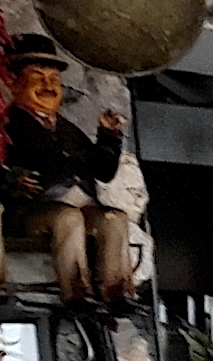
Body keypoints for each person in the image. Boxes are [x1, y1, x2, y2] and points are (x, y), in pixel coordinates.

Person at [2, 34, 132, 304]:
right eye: (38, 77)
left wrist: (108, 137)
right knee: (68, 218)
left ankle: (117, 291)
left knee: (114, 219)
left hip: (84, 206)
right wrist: (11, 179)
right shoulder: (8, 126)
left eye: (54, 79)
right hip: (34, 211)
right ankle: (77, 292)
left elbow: (103, 171)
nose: (48, 85)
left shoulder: (69, 130)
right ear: (14, 82)